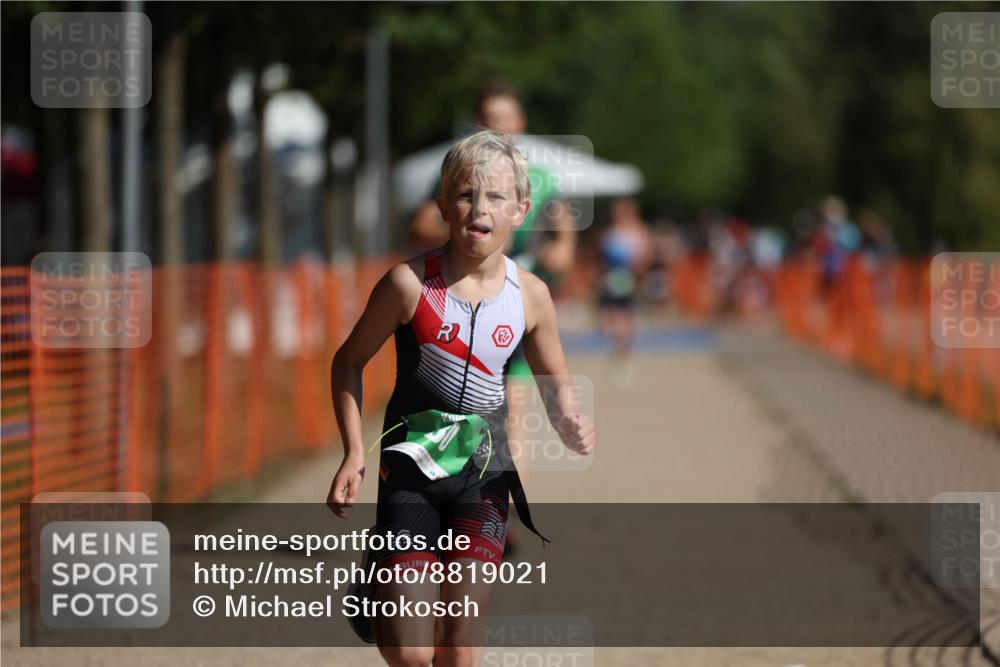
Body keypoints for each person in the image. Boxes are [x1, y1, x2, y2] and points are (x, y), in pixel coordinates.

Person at [328, 130, 596, 667]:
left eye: (496, 197)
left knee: (459, 641)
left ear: (520, 210)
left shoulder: (533, 296)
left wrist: (569, 416)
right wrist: (353, 452)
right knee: (409, 652)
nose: (481, 208)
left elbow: (554, 380)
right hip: (410, 472)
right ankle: (382, 583)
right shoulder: (409, 285)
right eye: (467, 194)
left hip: (485, 472)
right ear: (444, 205)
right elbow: (348, 361)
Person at [597, 198, 651, 385]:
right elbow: (603, 259)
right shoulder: (611, 232)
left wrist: (635, 272)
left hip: (628, 279)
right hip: (612, 280)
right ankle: (618, 353)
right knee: (610, 319)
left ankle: (623, 357)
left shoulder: (637, 232)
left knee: (625, 319)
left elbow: (644, 259)